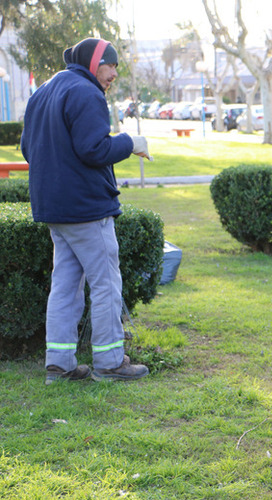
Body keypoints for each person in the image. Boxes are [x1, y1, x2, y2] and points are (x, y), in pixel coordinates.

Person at [21, 37, 153, 385]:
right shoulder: (86, 92)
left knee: (64, 286)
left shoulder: (44, 91)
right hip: (86, 209)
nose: (114, 74)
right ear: (95, 63)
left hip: (53, 209)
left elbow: (28, 148)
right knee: (106, 283)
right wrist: (130, 142)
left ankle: (59, 365)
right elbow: (94, 149)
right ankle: (110, 362)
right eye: (111, 65)